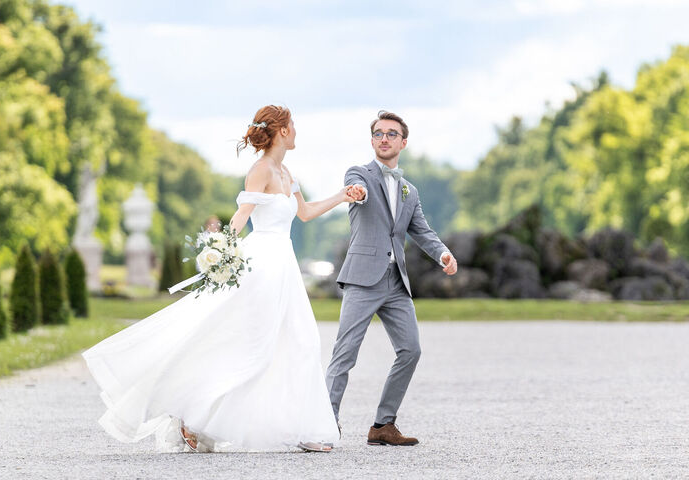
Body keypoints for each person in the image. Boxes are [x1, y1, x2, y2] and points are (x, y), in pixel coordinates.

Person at [82, 105, 352, 453]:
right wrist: (221, 252)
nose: (297, 131)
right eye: (293, 125)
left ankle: (301, 428)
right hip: (261, 265)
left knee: (302, 341)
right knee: (248, 343)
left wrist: (342, 196)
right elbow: (242, 216)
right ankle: (192, 413)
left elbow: (305, 212)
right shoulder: (260, 171)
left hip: (283, 265)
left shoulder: (287, 173)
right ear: (282, 130)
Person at [325, 110, 458, 446]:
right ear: (372, 140)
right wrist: (355, 192)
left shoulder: (409, 191)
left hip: (395, 283)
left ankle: (383, 424)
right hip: (361, 278)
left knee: (411, 350)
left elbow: (422, 232)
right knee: (345, 353)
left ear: (404, 142)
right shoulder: (359, 174)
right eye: (379, 133)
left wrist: (443, 253)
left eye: (391, 134)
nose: (384, 138)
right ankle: (325, 421)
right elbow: (357, 190)